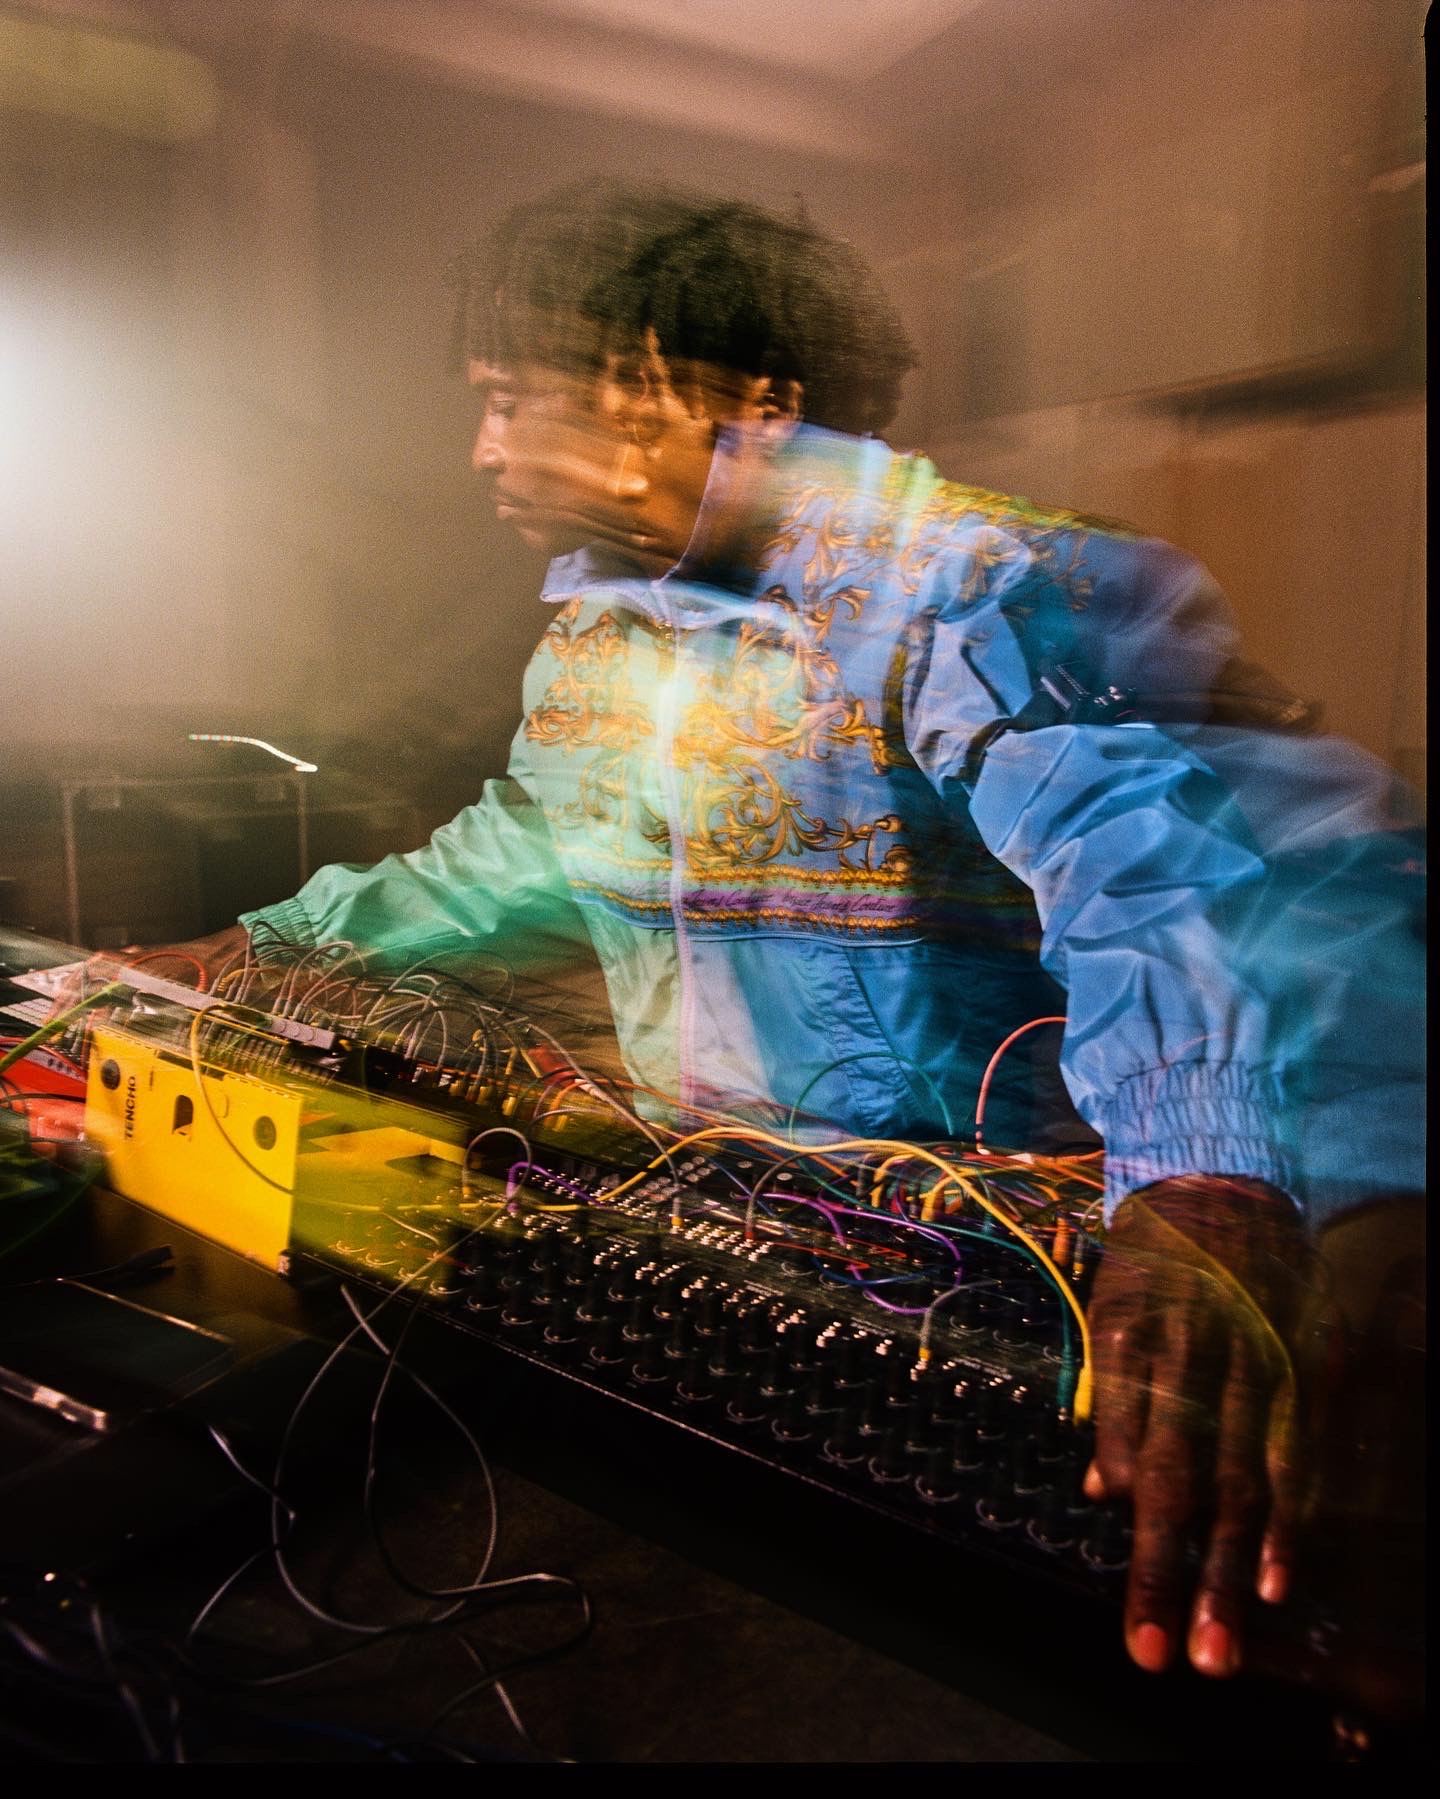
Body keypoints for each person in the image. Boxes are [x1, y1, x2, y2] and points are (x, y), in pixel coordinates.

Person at [83, 183, 1425, 1685]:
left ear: (721, 394)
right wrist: (264, 943)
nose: (484, 450)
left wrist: (1203, 1176)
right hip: (771, 1236)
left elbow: (1156, 870)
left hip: (1015, 1282)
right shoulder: (609, 635)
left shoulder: (975, 587)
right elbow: (528, 848)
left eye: (513, 398)